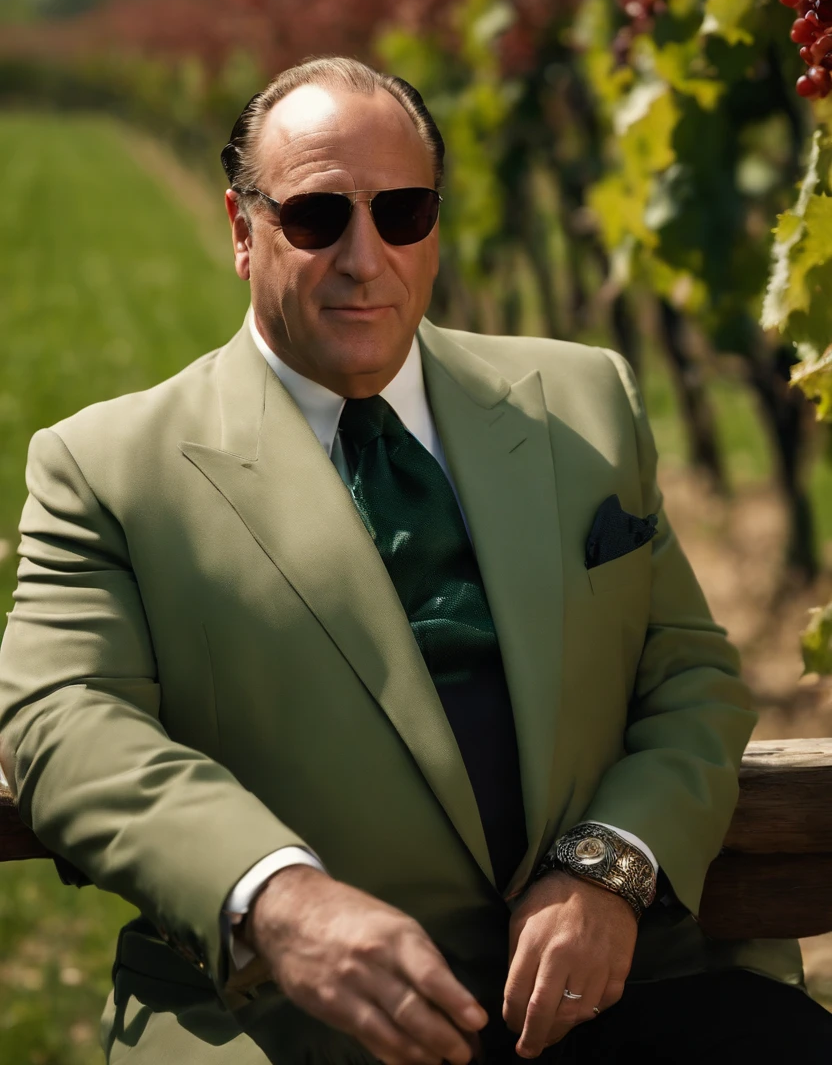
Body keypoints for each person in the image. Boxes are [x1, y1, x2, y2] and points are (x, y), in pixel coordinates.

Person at [0, 56, 829, 1065]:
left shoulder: (583, 398)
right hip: (288, 1024)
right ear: (238, 227)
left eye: (403, 212)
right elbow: (61, 719)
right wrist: (278, 899)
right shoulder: (104, 466)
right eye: (315, 218)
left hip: (618, 990)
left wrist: (614, 865)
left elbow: (687, 673)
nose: (365, 257)